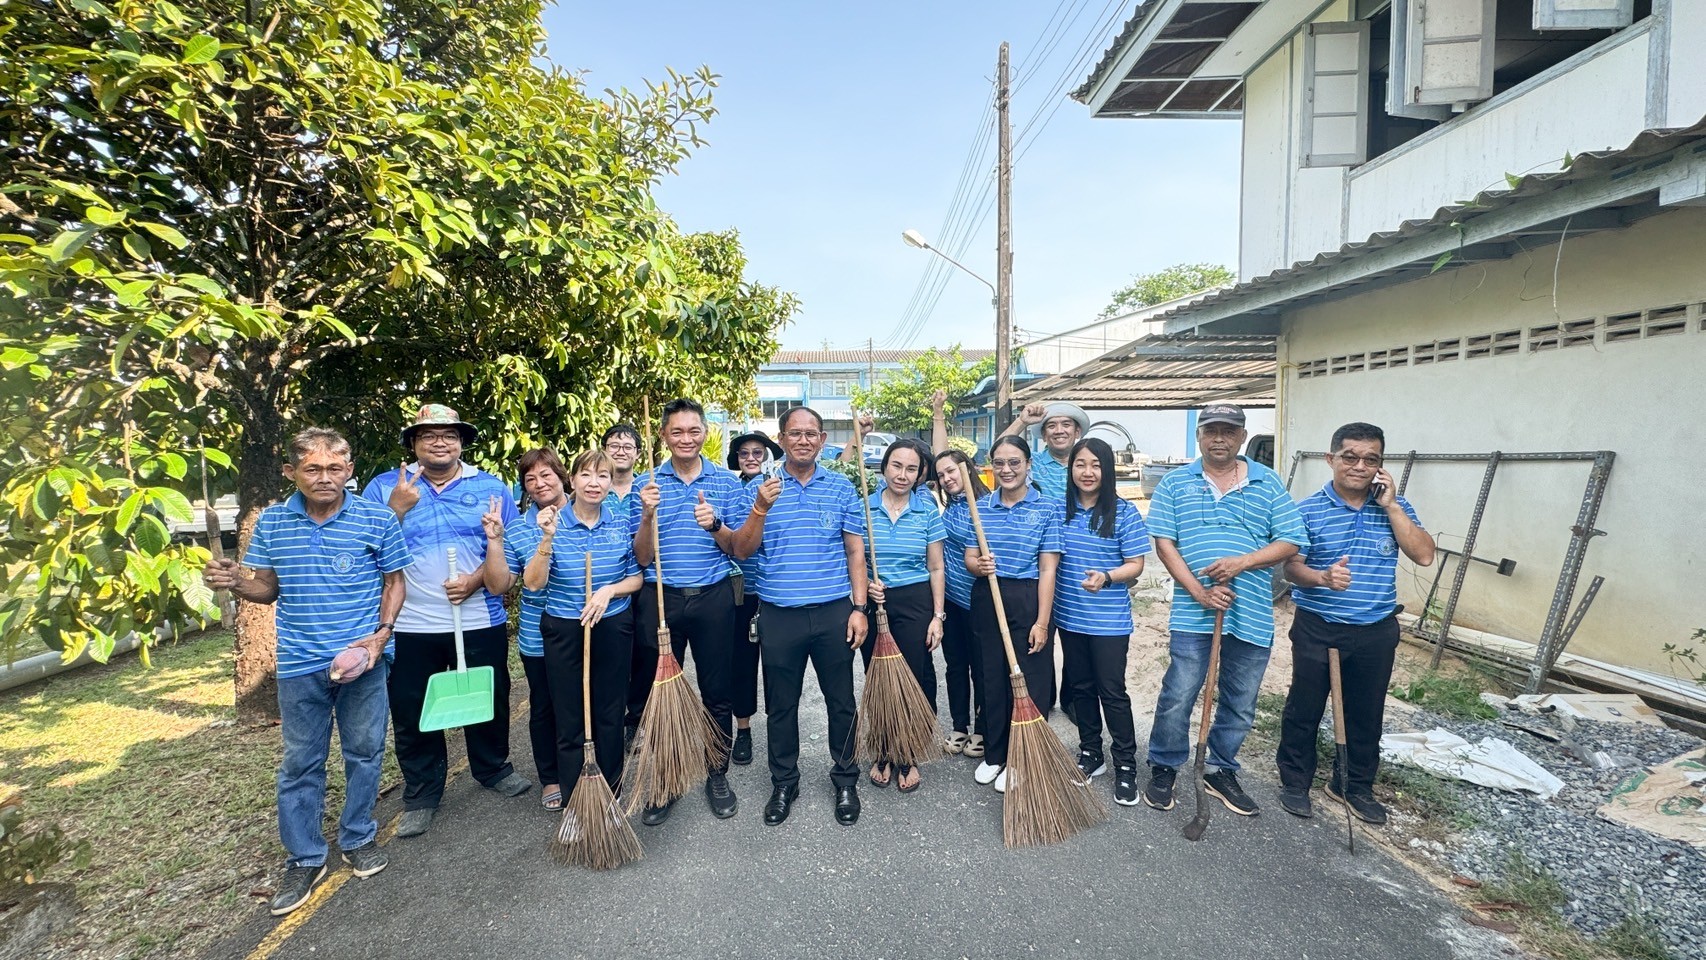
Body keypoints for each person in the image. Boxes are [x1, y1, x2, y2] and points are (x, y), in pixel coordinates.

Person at [203, 428, 410, 916]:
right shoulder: (274, 523)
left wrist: (381, 635)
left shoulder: (376, 517)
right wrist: (236, 582)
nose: (324, 478)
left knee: (364, 751)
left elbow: (395, 582)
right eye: (312, 469)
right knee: (301, 763)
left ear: (349, 471)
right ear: (291, 472)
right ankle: (305, 858)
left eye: (334, 469)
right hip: (299, 664)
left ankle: (358, 836)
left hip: (363, 660)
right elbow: (266, 589)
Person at [361, 404, 528, 839]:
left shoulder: (491, 487)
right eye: (428, 435)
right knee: (414, 709)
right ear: (414, 444)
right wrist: (396, 510)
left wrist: (474, 581)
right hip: (410, 623)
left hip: (477, 617)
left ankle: (493, 769)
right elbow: (364, 548)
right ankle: (422, 793)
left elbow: (509, 551)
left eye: (448, 435)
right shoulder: (385, 488)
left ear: (461, 442)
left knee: (488, 698)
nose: (440, 441)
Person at [1142, 403, 1309, 817]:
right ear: (1199, 435)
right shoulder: (1176, 482)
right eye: (1211, 430)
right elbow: (1165, 543)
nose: (1219, 437)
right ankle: (1164, 764)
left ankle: (1219, 768)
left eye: (1228, 431)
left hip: (1250, 610)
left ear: (1242, 436)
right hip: (1193, 610)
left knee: (1240, 698)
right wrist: (1199, 591)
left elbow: (1290, 540)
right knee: (1179, 691)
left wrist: (1241, 562)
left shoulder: (1266, 482)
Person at [1277, 422, 1434, 824]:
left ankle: (1352, 786)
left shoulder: (1395, 509)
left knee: (1367, 712)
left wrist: (1393, 506)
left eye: (1371, 459)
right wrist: (1323, 578)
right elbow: (1291, 568)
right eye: (1350, 457)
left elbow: (1424, 555)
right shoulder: (1308, 510)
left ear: (1381, 466)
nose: (1359, 466)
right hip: (1319, 625)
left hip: (1376, 630)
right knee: (1305, 707)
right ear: (1331, 459)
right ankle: (1295, 782)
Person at [723, 406, 867, 827]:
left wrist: (859, 608)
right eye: (794, 434)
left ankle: (845, 779)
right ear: (781, 440)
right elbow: (741, 550)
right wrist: (761, 509)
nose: (803, 440)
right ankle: (784, 781)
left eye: (811, 434)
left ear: (822, 441)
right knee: (781, 706)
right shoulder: (762, 489)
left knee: (841, 702)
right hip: (779, 615)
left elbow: (855, 550)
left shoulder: (841, 488)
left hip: (833, 612)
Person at [631, 398, 751, 824]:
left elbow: (738, 547)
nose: (686, 438)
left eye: (693, 431)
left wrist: (715, 524)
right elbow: (642, 559)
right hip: (660, 598)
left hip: (714, 597)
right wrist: (647, 515)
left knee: (717, 692)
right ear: (663, 435)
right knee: (660, 692)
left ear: (705, 433)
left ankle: (716, 773)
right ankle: (666, 779)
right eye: (676, 431)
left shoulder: (725, 482)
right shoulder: (646, 485)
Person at [524, 449, 644, 807]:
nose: (595, 483)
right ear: (571, 480)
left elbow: (636, 578)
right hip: (565, 626)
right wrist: (546, 539)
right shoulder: (550, 522)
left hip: (612, 624)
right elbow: (533, 584)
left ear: (611, 482)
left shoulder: (621, 521)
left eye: (603, 476)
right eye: (587, 475)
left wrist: (608, 591)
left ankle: (611, 796)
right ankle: (578, 800)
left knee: (609, 712)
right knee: (570, 715)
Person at [948, 435, 1062, 793]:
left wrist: (1042, 622)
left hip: (1028, 596)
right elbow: (969, 558)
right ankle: (995, 754)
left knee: (1032, 678)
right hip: (987, 595)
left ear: (1028, 465)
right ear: (990, 467)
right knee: (991, 678)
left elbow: (1048, 570)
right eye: (999, 463)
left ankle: (1023, 757)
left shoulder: (1046, 509)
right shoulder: (980, 508)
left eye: (1015, 462)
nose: (1007, 469)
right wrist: (978, 566)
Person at [1053, 438, 1152, 807]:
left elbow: (1136, 564)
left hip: (1109, 621)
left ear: (1106, 470)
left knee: (1112, 692)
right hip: (1069, 616)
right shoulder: (1060, 511)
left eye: (1095, 464)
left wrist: (1108, 576)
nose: (1088, 472)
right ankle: (1091, 753)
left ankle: (1126, 765)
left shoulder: (1123, 513)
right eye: (1080, 464)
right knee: (1080, 688)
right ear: (1071, 469)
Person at [480, 449, 569, 810]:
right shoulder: (517, 528)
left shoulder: (592, 512)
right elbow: (501, 586)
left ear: (562, 476)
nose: (539, 483)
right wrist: (495, 541)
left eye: (546, 475)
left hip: (590, 628)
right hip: (539, 634)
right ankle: (550, 778)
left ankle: (589, 770)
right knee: (545, 706)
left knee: (588, 703)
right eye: (530, 479)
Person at [862, 437, 946, 794]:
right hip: (874, 600)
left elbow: (936, 566)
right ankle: (882, 749)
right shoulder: (863, 507)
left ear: (919, 474)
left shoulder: (926, 510)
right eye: (897, 466)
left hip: (915, 601)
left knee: (911, 676)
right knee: (878, 676)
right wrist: (866, 582)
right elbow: (851, 557)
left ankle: (907, 751)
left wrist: (937, 616)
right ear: (884, 468)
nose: (903, 474)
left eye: (911, 469)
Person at [725, 430, 783, 765]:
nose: (751, 458)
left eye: (758, 453)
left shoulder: (781, 486)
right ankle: (743, 730)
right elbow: (731, 540)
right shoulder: (733, 492)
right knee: (742, 665)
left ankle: (779, 730)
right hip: (742, 592)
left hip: (775, 591)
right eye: (744, 453)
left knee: (778, 668)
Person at [934, 448, 990, 760]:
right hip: (952, 600)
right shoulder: (952, 505)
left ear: (967, 469)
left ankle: (982, 729)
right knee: (955, 667)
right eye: (941, 475)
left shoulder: (987, 505)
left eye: (952, 472)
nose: (946, 478)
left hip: (979, 603)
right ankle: (959, 726)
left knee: (981, 669)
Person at [999, 400, 1088, 500]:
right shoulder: (1031, 462)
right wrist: (1022, 421)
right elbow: (995, 454)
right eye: (1051, 426)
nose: (1059, 431)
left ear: (1077, 432)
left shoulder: (1089, 464)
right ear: (1044, 435)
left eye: (1066, 425)